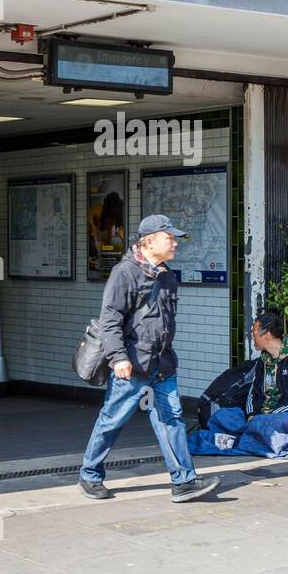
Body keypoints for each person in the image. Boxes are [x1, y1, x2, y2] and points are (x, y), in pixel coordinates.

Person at [78, 214, 221, 503]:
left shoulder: (167, 276)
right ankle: (90, 474)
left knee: (171, 420)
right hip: (133, 364)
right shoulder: (124, 273)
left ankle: (183, 481)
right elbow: (110, 320)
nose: (175, 243)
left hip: (162, 364)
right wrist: (119, 357)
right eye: (169, 238)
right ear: (149, 241)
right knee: (112, 420)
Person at [247, 311, 288, 416]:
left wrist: (271, 416)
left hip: (284, 418)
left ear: (267, 335)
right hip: (261, 417)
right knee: (224, 415)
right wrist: (251, 414)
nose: (252, 337)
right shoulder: (262, 360)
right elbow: (252, 393)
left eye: (254, 333)